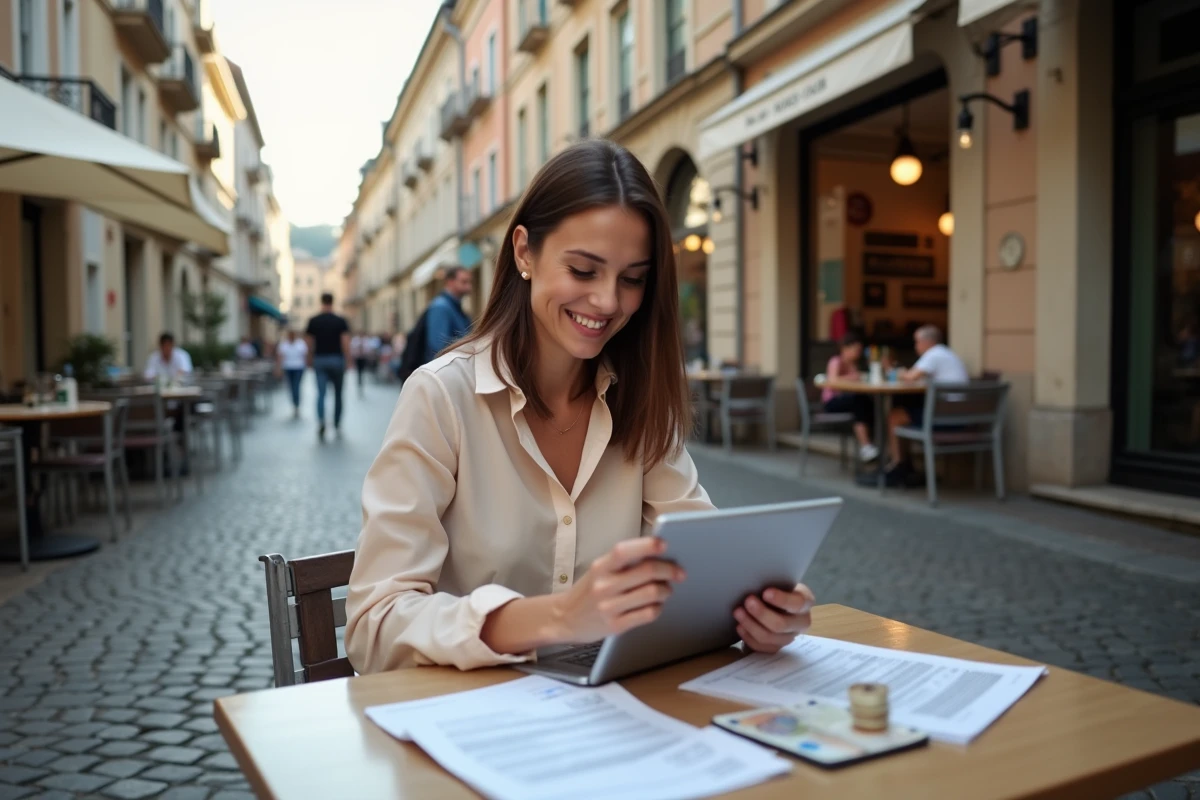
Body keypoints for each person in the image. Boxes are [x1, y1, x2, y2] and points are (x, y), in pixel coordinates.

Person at [345, 140, 815, 674]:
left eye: (633, 279)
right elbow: (373, 625)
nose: (610, 302)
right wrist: (558, 617)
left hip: (613, 718)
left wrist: (761, 610)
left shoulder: (641, 399)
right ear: (524, 251)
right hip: (469, 721)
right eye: (584, 270)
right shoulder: (441, 396)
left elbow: (704, 562)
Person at [885, 324, 970, 481]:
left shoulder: (933, 355)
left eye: (917, 342)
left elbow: (910, 376)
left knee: (895, 416)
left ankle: (898, 465)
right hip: (961, 417)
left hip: (945, 419)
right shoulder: (947, 353)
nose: (916, 346)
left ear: (927, 342)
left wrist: (892, 370)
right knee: (903, 410)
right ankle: (905, 463)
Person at [821, 331, 877, 462]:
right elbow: (833, 381)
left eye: (859, 350)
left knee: (867, 403)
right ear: (845, 348)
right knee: (860, 401)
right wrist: (853, 377)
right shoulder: (836, 361)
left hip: (849, 399)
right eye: (855, 349)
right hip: (832, 401)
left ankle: (870, 445)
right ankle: (866, 446)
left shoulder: (854, 364)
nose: (858, 353)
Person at [304, 293, 350, 440]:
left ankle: (321, 421)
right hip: (337, 359)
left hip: (320, 359)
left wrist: (309, 359)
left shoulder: (314, 321)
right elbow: (345, 342)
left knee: (321, 394)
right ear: (332, 302)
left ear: (321, 302)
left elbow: (309, 343)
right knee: (338, 394)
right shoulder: (340, 321)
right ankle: (336, 423)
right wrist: (348, 360)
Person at [423, 267, 474, 362]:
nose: (469, 287)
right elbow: (438, 347)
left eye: (469, 282)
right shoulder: (441, 307)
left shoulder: (452, 306)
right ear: (450, 282)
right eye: (464, 282)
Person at [276, 329, 308, 418]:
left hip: (298, 368)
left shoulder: (301, 344)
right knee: (291, 387)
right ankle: (294, 404)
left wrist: (307, 365)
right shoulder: (284, 344)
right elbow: (280, 357)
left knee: (296, 386)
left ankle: (296, 405)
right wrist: (278, 368)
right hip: (288, 368)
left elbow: (305, 355)